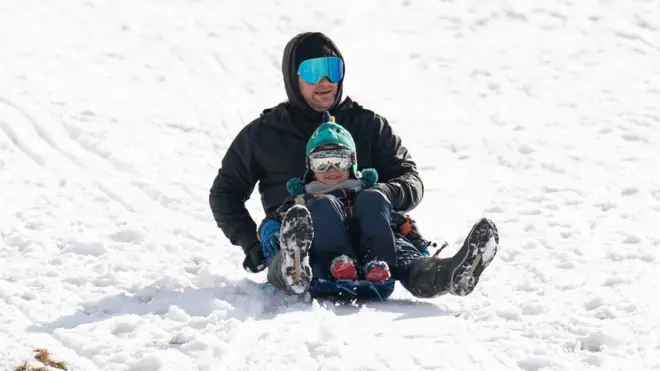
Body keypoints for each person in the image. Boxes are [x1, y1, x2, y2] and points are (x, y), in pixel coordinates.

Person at [209, 31, 500, 299]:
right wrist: (252, 243)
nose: (325, 82)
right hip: (302, 239)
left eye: (332, 70)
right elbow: (225, 193)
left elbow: (410, 179)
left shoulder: (368, 126)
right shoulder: (264, 134)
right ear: (292, 78)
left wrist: (383, 195)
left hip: (375, 241)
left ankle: (449, 275)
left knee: (406, 256)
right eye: (312, 72)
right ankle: (290, 271)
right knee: (288, 256)